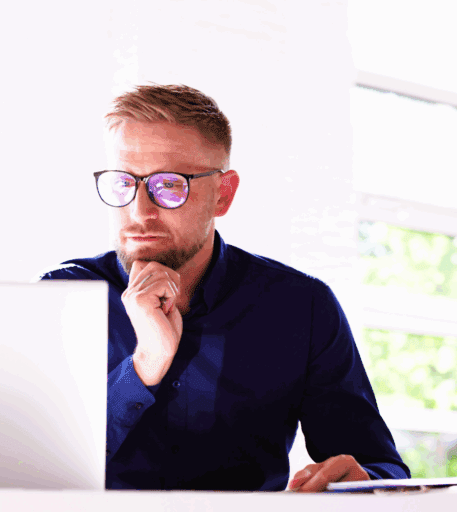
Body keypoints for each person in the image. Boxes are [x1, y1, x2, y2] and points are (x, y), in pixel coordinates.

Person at [39, 84, 409, 491]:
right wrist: (145, 365)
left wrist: (364, 484)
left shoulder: (302, 307)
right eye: (122, 183)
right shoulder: (60, 299)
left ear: (223, 194)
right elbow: (37, 466)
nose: (139, 211)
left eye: (168, 185)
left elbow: (379, 468)